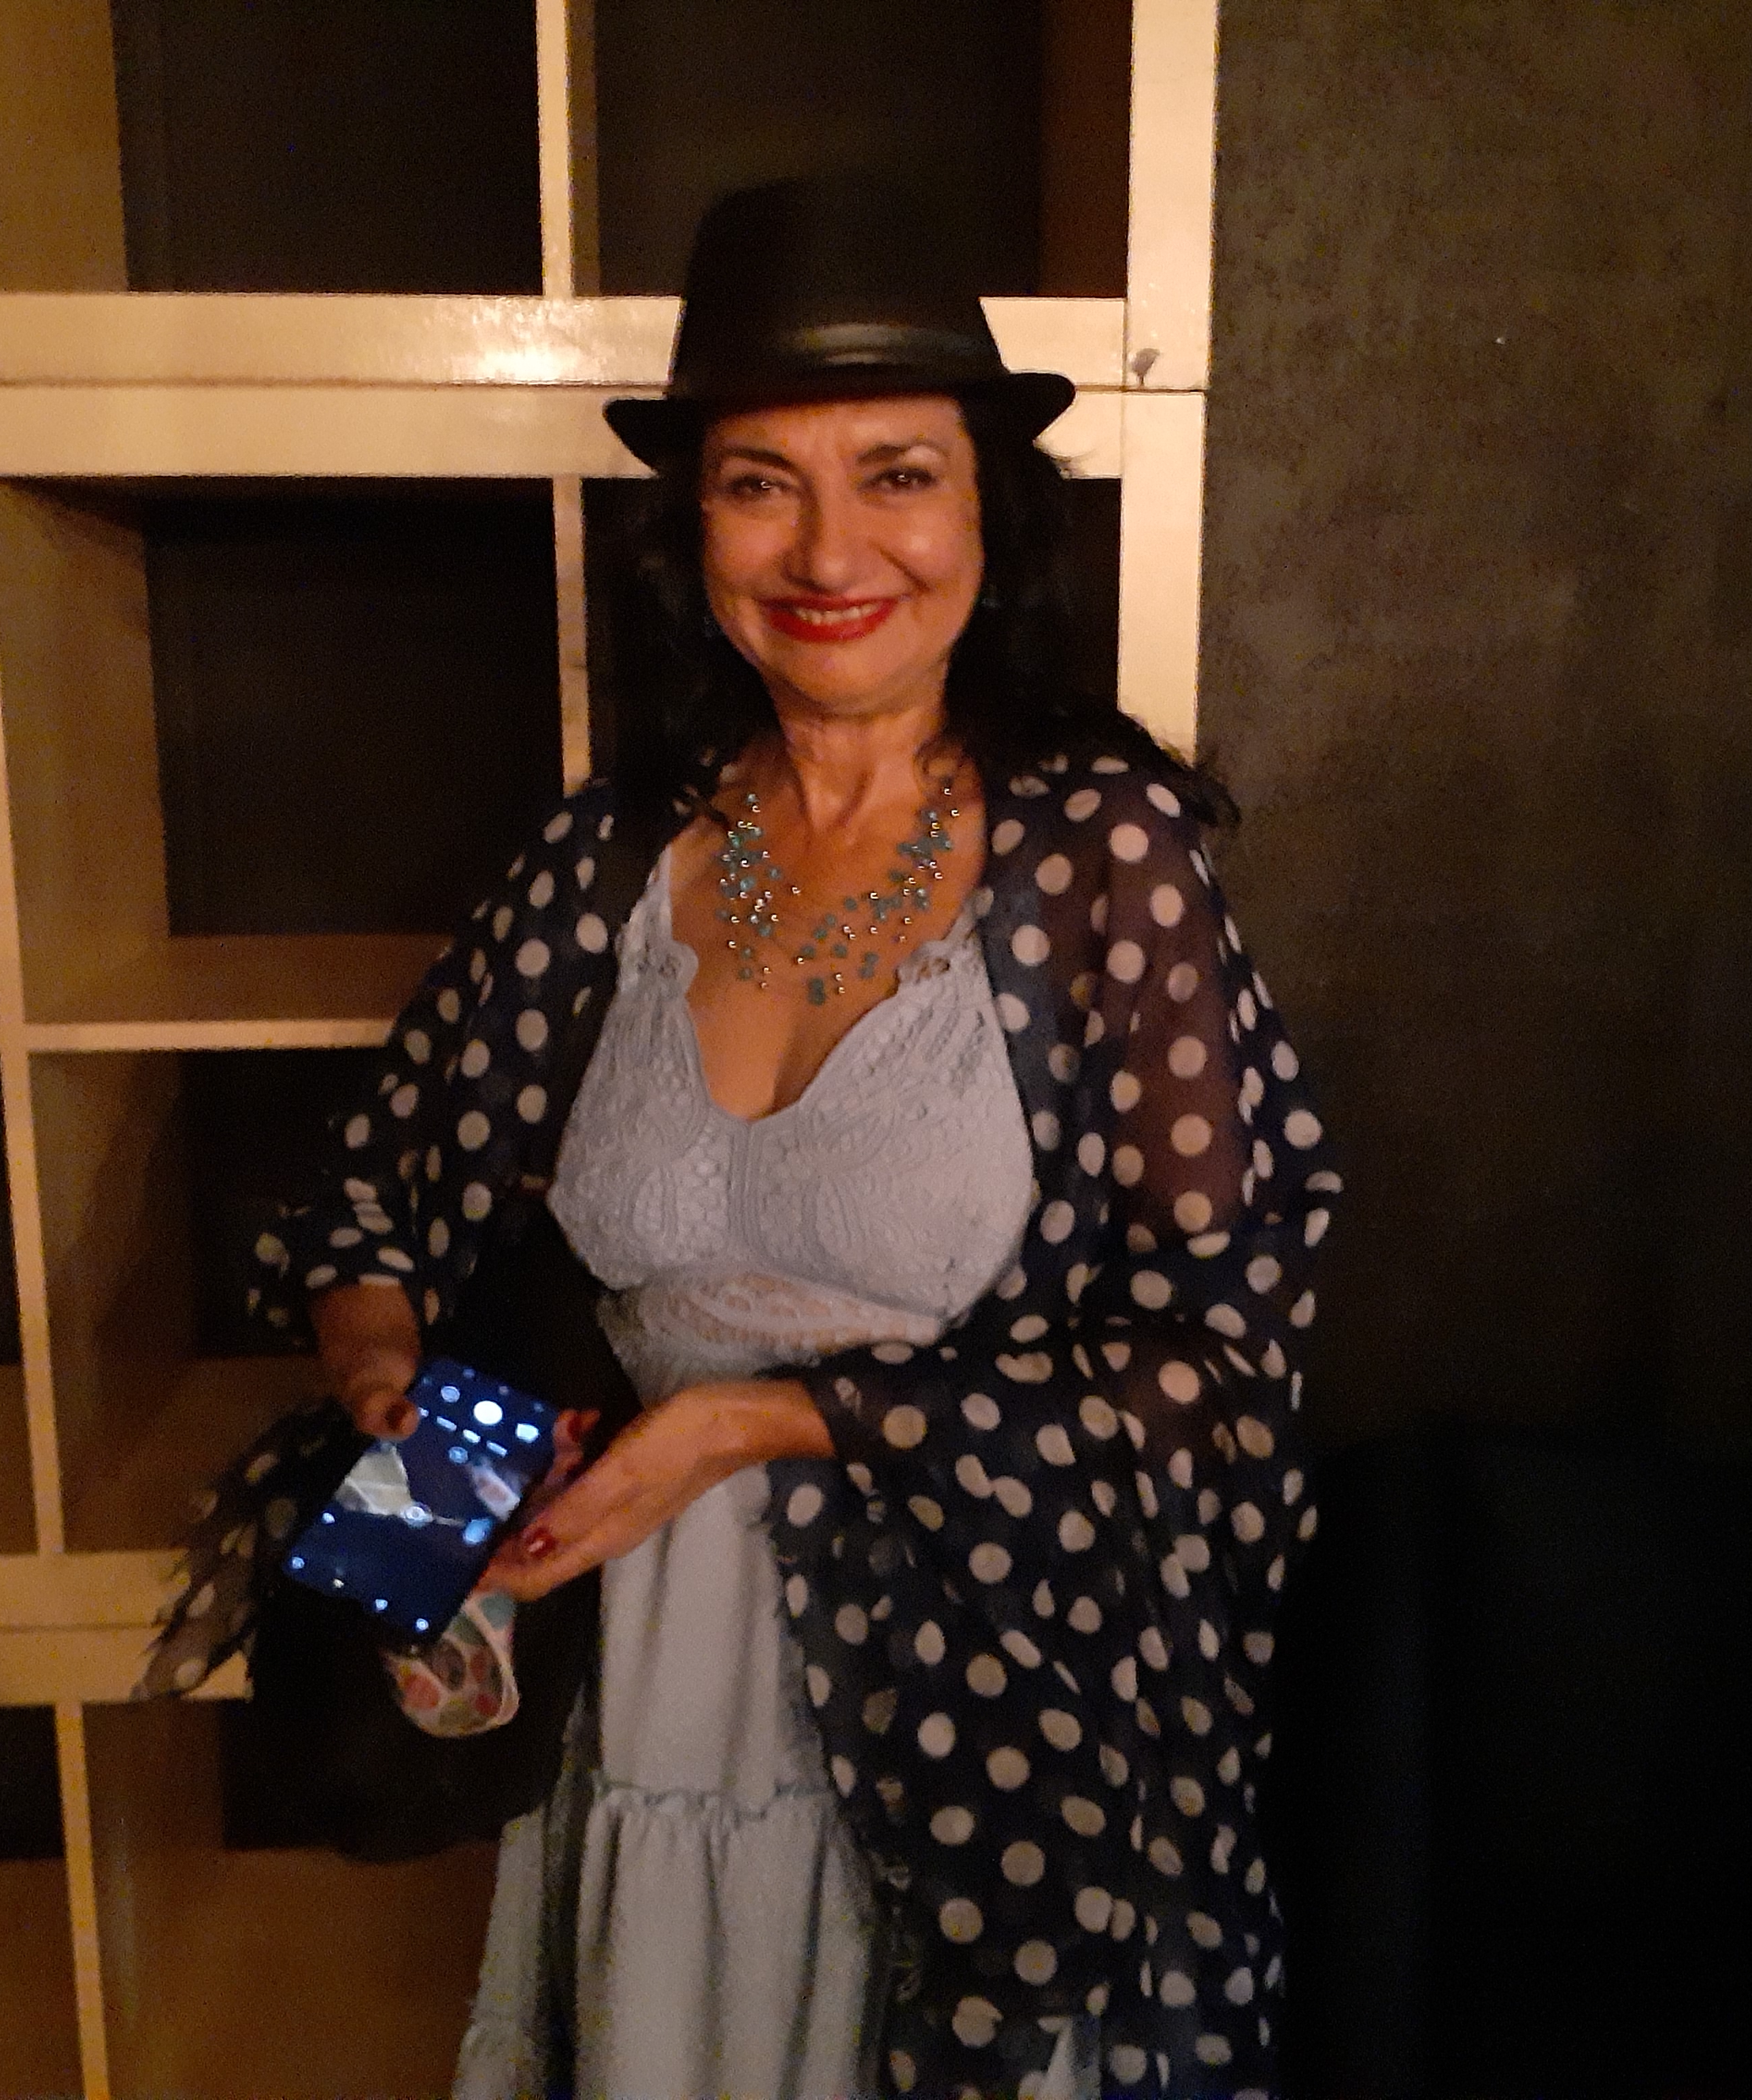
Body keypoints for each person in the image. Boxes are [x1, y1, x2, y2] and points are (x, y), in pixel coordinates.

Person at [249, 177, 1334, 2099]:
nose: (832, 551)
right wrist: (387, 1370)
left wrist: (767, 1420)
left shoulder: (1105, 861)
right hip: (646, 1681)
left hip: (990, 1707)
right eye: (763, 485)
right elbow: (365, 1189)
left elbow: (1223, 1374)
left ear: (989, 512)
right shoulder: (617, 854)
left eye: (897, 475)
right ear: (696, 529)